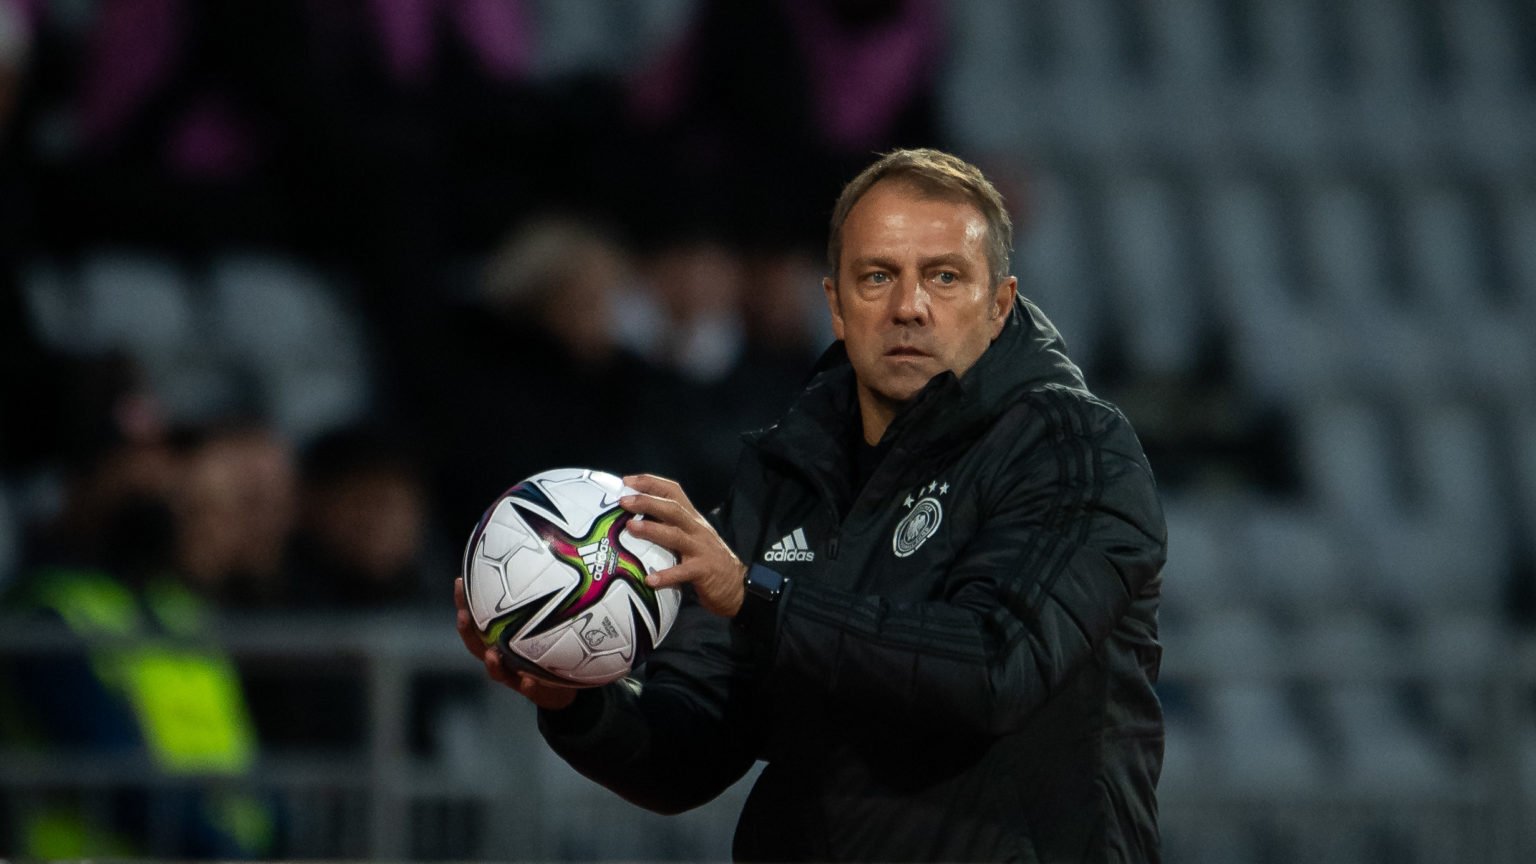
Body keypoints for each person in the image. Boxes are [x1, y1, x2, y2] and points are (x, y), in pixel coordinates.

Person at [454, 149, 1167, 862]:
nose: (909, 306)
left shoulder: (1074, 448)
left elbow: (993, 667)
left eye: (944, 277)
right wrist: (577, 701)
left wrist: (759, 598)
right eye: (877, 276)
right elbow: (693, 747)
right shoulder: (787, 472)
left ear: (1000, 301)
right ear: (833, 302)